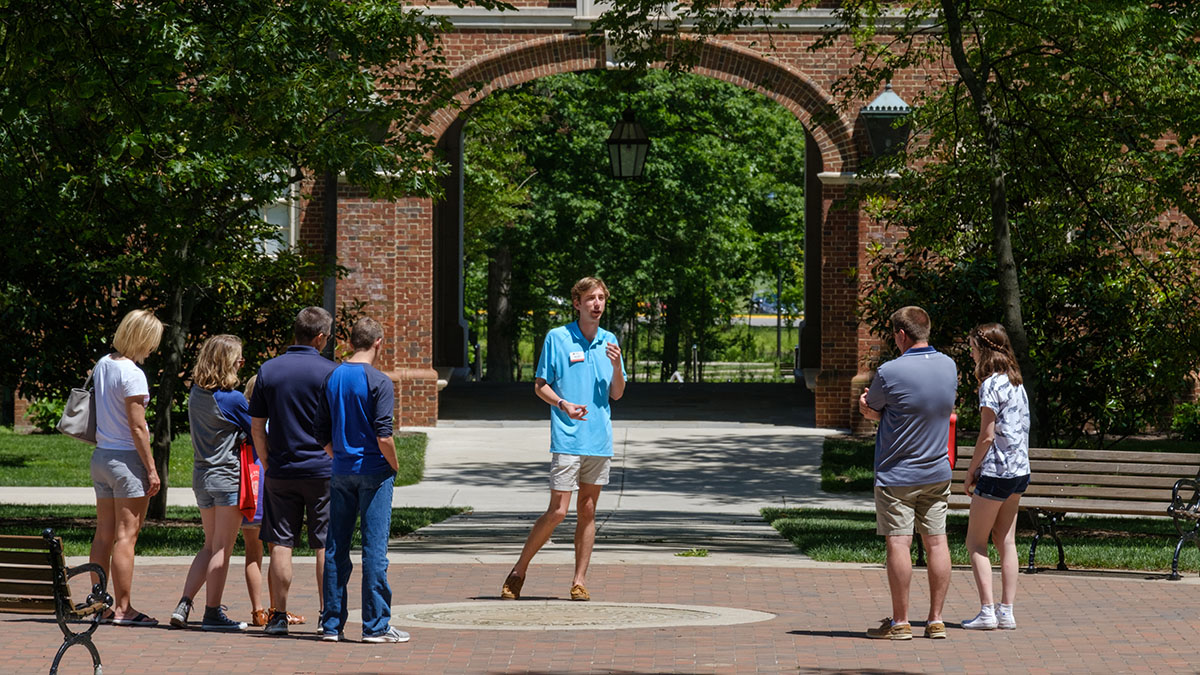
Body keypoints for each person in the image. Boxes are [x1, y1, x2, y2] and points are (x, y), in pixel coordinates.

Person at [501, 277, 626, 602]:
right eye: (590, 299)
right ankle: (519, 570)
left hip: (599, 439)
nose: (596, 304)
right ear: (577, 303)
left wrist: (616, 367)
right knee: (558, 510)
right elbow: (540, 384)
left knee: (587, 509)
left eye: (601, 298)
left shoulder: (610, 341)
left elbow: (617, 393)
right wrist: (563, 404)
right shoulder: (558, 338)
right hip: (568, 438)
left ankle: (579, 581)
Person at [858, 306, 957, 640]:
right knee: (937, 542)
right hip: (937, 470)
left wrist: (866, 411)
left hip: (897, 474)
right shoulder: (949, 365)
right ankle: (936, 620)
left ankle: (900, 623)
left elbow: (873, 410)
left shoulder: (889, 372)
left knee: (899, 543)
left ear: (901, 334)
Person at [315, 317, 409, 644]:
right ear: (378, 343)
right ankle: (376, 625)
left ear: (352, 341)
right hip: (374, 471)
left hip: (341, 470)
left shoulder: (333, 376)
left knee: (336, 548)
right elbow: (384, 436)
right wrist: (394, 465)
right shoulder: (379, 382)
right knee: (374, 549)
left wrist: (337, 455)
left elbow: (319, 430)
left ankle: (330, 625)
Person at [248, 307, 337, 636]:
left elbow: (257, 427)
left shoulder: (269, 371)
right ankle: (328, 617)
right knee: (325, 545)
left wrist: (267, 461)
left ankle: (279, 617)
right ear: (319, 337)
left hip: (282, 470)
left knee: (280, 545)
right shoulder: (331, 372)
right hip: (323, 470)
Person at [170, 335, 251, 631]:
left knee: (208, 545)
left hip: (202, 476)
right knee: (222, 549)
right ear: (227, 363)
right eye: (238, 359)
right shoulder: (232, 398)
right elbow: (256, 430)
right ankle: (212, 613)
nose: (241, 364)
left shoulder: (196, 394)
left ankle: (184, 603)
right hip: (227, 478)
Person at [89, 308, 164, 627]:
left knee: (103, 534)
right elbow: (137, 427)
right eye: (152, 341)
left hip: (102, 456)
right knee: (125, 536)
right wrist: (151, 469)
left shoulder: (103, 364)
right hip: (126, 460)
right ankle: (123, 608)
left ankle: (98, 603)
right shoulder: (133, 374)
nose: (153, 348)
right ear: (143, 339)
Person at [961, 323, 1030, 631]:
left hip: (996, 472)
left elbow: (987, 436)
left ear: (985, 351)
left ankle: (987, 611)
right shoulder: (1017, 382)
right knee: (1007, 541)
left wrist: (970, 470)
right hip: (1020, 472)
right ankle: (1007, 612)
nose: (971, 354)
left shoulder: (990, 385)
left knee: (975, 542)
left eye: (974, 348)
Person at [239, 374, 270, 627]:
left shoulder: (243, 422)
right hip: (270, 490)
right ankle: (278, 609)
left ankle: (257, 610)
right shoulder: (272, 423)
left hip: (249, 490)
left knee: (252, 554)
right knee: (279, 551)